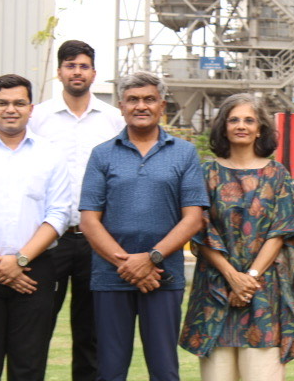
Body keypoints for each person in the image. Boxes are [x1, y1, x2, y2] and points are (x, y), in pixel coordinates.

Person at [79, 71, 208, 381]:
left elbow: (193, 218)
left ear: (162, 105)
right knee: (110, 371)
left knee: (164, 370)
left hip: (163, 276)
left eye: (149, 99)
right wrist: (127, 264)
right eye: (133, 100)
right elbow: (89, 220)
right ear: (121, 106)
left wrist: (151, 258)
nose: (141, 106)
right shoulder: (102, 154)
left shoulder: (184, 153)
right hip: (111, 277)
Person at [179, 93, 294, 381]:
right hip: (215, 292)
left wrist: (249, 278)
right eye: (234, 120)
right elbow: (200, 229)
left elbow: (281, 231)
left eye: (249, 120)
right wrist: (232, 277)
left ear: (260, 129)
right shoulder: (207, 173)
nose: (241, 126)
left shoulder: (277, 174)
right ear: (223, 127)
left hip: (264, 294)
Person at [0, 74, 71, 380]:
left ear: (31, 109)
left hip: (34, 270)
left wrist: (19, 261)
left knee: (29, 366)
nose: (10, 109)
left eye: (19, 103)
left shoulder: (51, 154)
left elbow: (58, 214)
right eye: (2, 103)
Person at [29, 40, 125, 381]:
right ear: (59, 72)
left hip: (96, 241)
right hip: (49, 240)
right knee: (36, 327)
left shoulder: (113, 120)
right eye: (70, 66)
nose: (77, 72)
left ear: (94, 73)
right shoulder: (38, 118)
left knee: (91, 333)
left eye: (83, 66)